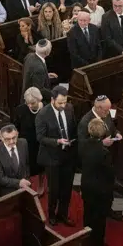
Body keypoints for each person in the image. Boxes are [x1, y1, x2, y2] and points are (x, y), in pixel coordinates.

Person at [37, 86, 78, 225]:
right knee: (54, 189)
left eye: (65, 102)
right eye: (60, 102)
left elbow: (73, 128)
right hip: (52, 157)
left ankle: (63, 214)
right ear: (52, 99)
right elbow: (40, 137)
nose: (63, 105)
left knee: (67, 188)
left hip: (68, 155)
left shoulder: (69, 108)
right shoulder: (43, 114)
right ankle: (52, 215)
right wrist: (57, 141)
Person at [77, 117, 118, 246]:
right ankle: (97, 243)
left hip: (87, 185)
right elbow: (109, 172)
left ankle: (86, 238)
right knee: (99, 217)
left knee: (88, 213)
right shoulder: (104, 152)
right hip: (100, 189)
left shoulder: (84, 145)